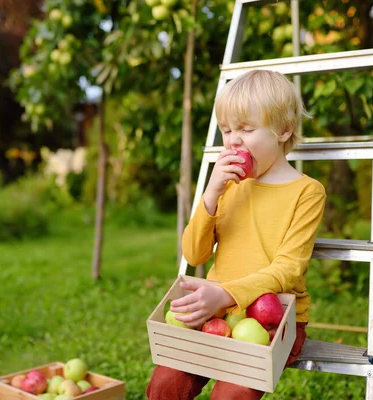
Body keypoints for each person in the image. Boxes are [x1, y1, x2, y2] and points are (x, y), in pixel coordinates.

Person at [146, 70, 327, 400]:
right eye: (227, 130)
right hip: (217, 313)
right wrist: (211, 194)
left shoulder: (307, 192)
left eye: (246, 129)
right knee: (165, 386)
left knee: (231, 396)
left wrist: (225, 294)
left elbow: (288, 269)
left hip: (275, 317)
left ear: (283, 129)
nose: (233, 140)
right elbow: (194, 254)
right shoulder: (228, 186)